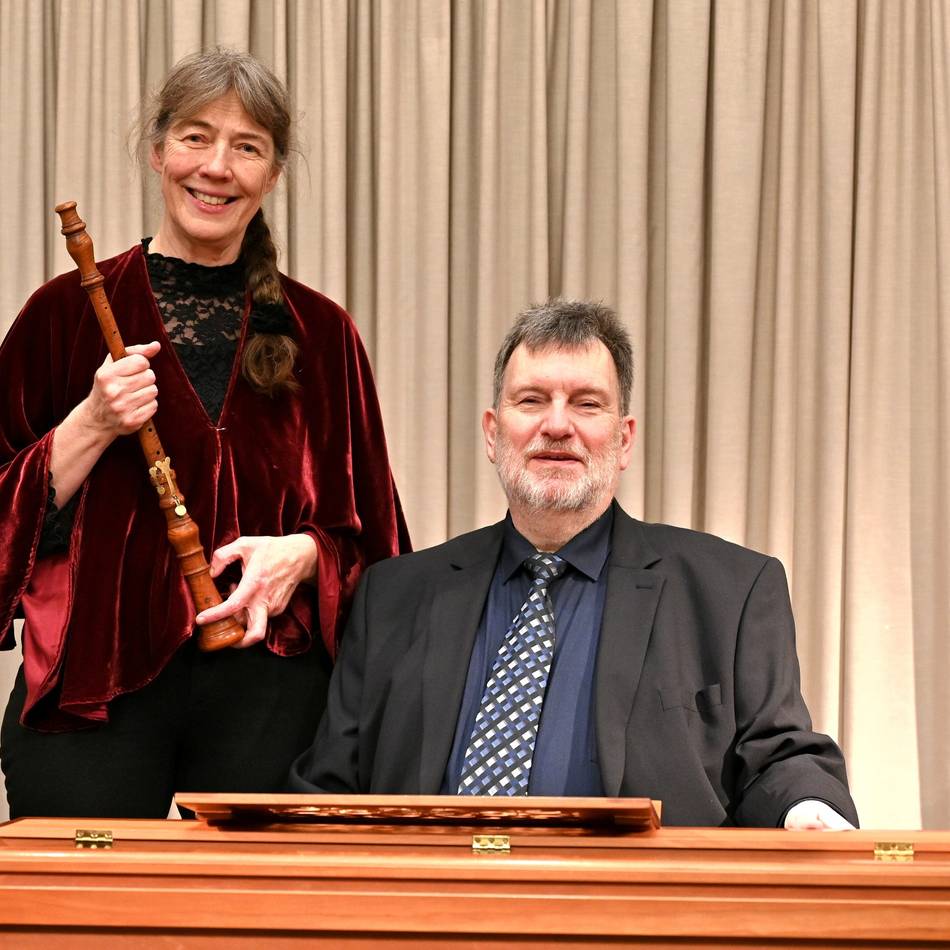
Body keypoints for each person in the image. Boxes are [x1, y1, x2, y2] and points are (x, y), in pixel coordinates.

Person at [0, 49, 408, 818]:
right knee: (88, 931)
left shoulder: (323, 334)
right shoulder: (62, 315)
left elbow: (379, 551)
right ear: (157, 152)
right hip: (94, 688)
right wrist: (89, 425)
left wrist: (305, 554)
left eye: (247, 147)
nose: (217, 167)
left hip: (273, 698)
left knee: (250, 930)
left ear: (273, 174)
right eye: (195, 138)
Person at [289, 299, 858, 829]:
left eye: (587, 404)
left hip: (636, 924)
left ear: (625, 439)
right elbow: (329, 786)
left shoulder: (731, 591)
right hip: (431, 918)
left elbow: (779, 756)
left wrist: (806, 808)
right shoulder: (394, 595)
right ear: (493, 433)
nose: (557, 425)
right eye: (531, 400)